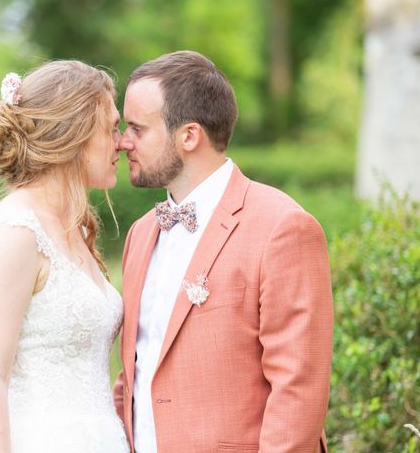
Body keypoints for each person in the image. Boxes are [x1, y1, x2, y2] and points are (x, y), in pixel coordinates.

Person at [113, 51, 333, 452]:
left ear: (189, 136)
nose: (123, 141)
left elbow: (298, 389)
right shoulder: (141, 235)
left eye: (137, 129)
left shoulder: (282, 228)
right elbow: (133, 375)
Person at [0, 60, 129, 452]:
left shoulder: (74, 227)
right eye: (111, 128)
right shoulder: (16, 233)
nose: (122, 142)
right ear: (75, 133)